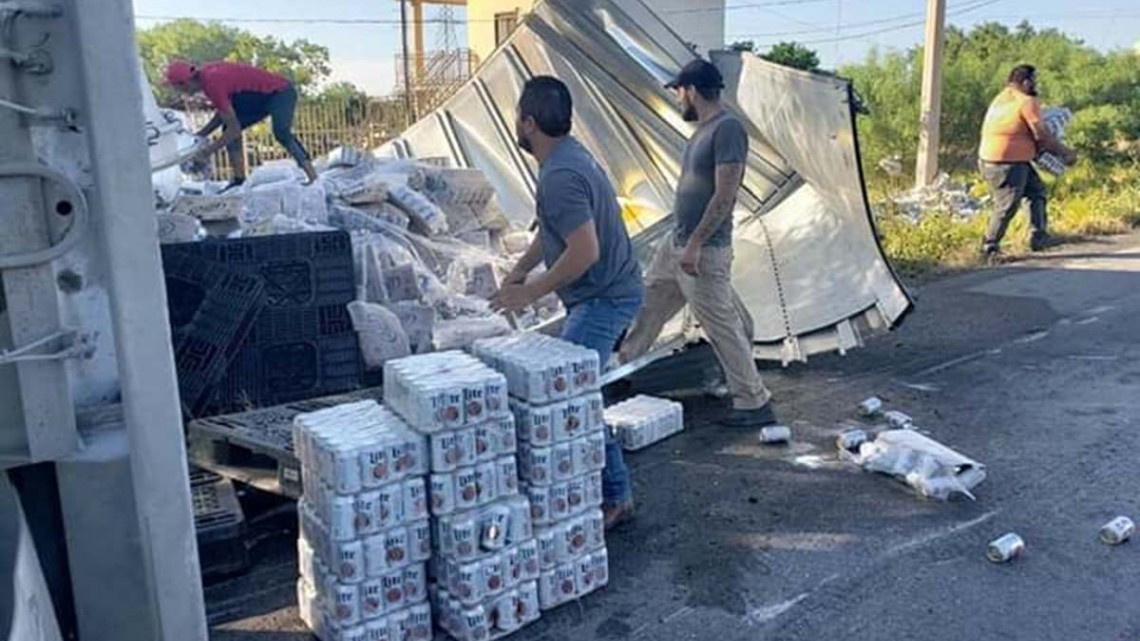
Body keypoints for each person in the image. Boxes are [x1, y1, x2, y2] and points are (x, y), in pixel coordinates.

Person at [490, 76, 644, 529]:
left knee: (571, 396)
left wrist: (530, 292)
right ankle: (593, 487)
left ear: (529, 121)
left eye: (518, 117)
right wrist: (520, 268)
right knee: (572, 391)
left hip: (605, 297)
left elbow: (584, 250)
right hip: (605, 290)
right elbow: (553, 231)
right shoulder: (570, 157)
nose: (517, 125)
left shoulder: (559, 174)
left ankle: (616, 495)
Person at [620, 59, 775, 428]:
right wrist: (681, 240)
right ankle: (622, 371)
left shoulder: (728, 129)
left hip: (702, 250)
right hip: (677, 243)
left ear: (691, 90)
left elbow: (725, 193)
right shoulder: (703, 130)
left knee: (720, 323)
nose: (678, 100)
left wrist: (695, 243)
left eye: (678, 92)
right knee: (651, 303)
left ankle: (753, 401)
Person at [164, 60, 318, 189]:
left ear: (184, 83)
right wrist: (199, 136)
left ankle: (313, 178)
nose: (179, 93)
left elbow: (234, 129)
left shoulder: (212, 82)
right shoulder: (208, 77)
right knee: (227, 129)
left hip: (280, 93)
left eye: (177, 88)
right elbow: (223, 115)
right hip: (257, 100)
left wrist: (207, 152)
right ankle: (239, 181)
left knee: (281, 132)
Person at [978, 64, 1077, 258]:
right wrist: (1065, 153)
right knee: (1007, 205)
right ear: (1026, 82)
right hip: (1007, 163)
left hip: (995, 159)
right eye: (1034, 81)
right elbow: (1042, 136)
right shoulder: (1026, 101)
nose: (1035, 85)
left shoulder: (1002, 99)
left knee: (1035, 191)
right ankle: (989, 246)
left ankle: (1038, 237)